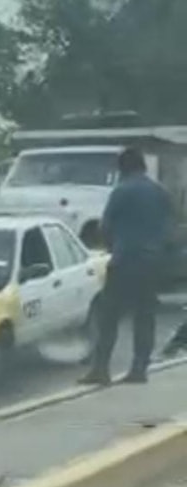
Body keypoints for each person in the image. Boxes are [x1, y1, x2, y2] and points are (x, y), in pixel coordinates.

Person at [80, 146, 174, 386]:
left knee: (109, 316)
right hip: (152, 262)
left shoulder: (121, 192)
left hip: (125, 260)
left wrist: (111, 248)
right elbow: (168, 229)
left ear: (123, 168)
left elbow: (106, 227)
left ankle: (101, 370)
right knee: (145, 316)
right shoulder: (160, 192)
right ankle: (139, 369)